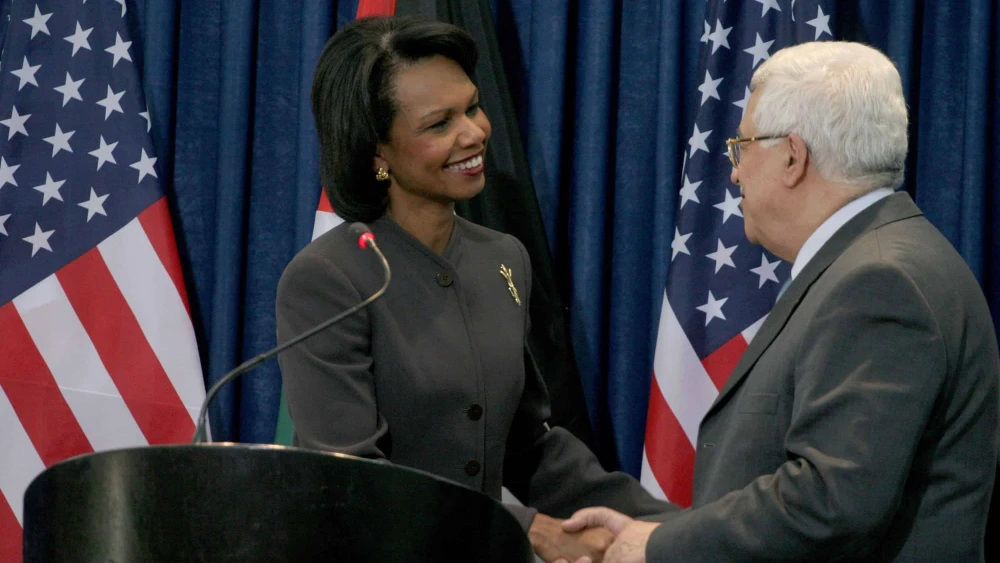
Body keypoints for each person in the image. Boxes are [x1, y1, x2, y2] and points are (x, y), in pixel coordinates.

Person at [561, 41, 1000, 562]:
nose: (734, 173)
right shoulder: (870, 260)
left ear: (793, 157)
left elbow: (829, 504)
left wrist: (658, 547)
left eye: (741, 146)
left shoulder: (880, 281)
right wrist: (656, 531)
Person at [275, 16, 672, 562]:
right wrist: (527, 529)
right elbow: (351, 479)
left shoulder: (503, 258)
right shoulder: (328, 277)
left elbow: (528, 446)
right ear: (377, 153)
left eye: (472, 107)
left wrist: (674, 529)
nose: (474, 132)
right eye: (439, 124)